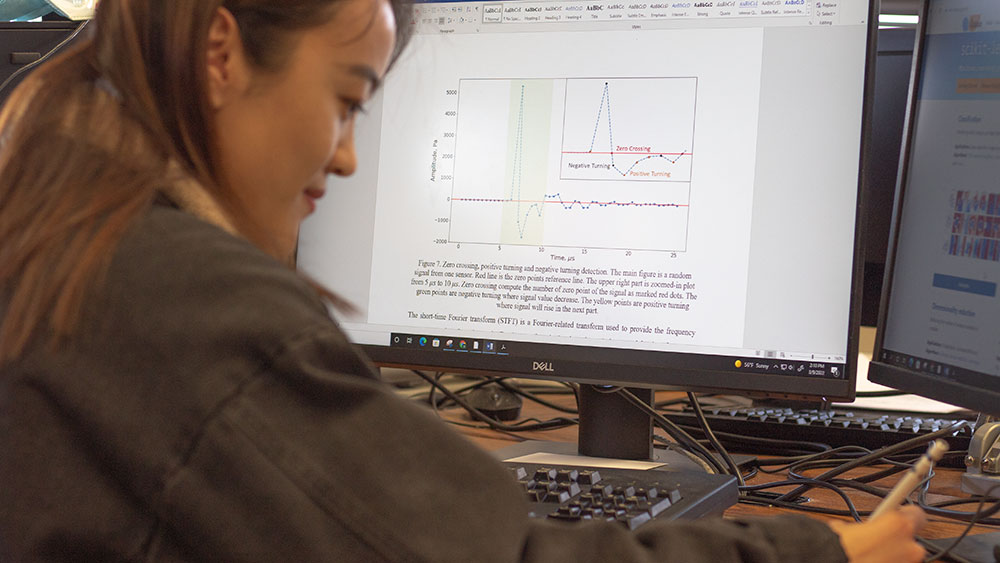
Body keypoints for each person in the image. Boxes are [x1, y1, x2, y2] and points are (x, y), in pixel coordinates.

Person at [0, 1, 928, 561]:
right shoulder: (183, 300)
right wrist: (815, 551)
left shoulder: (59, 204)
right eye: (348, 99)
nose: (351, 157)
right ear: (220, 49)